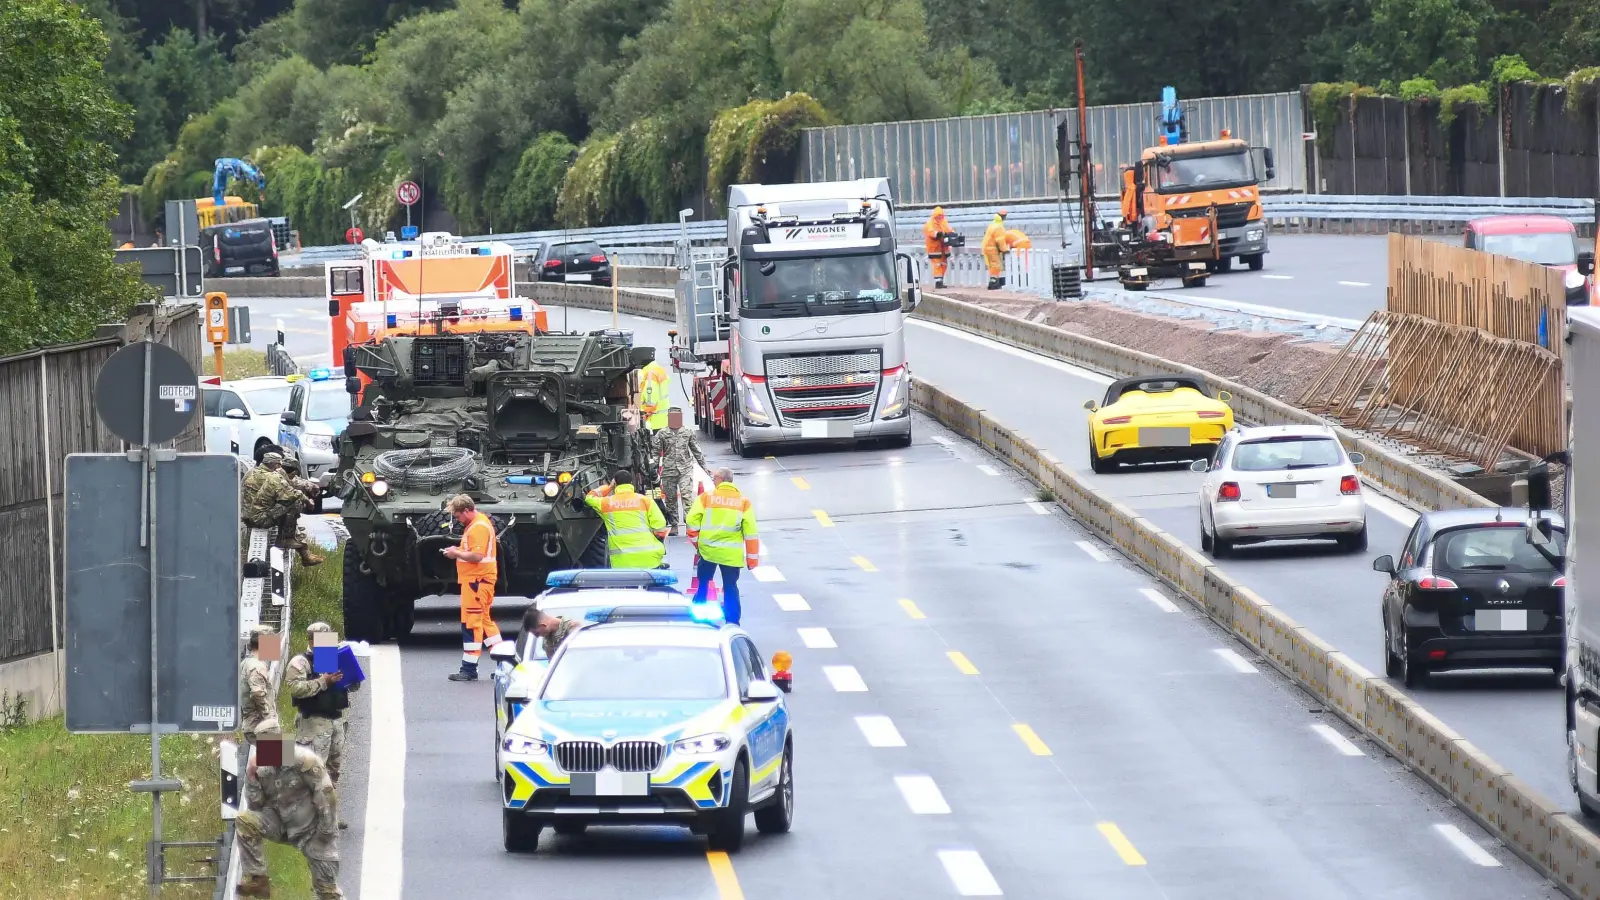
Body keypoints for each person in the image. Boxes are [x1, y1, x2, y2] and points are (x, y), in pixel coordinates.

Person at [236, 718, 343, 900]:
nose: (265, 751)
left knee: (327, 892)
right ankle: (258, 880)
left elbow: (326, 797)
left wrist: (325, 833)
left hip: (313, 830)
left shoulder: (305, 761)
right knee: (245, 821)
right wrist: (251, 777)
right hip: (282, 825)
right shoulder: (262, 768)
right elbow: (257, 806)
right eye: (261, 746)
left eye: (270, 745)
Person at [285, 622, 356, 827]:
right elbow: (296, 688)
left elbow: (352, 685)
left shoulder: (334, 657)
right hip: (314, 724)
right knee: (314, 771)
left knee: (333, 770)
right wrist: (323, 681)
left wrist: (349, 677)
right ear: (311, 641)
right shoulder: (301, 662)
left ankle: (328, 816)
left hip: (335, 721)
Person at [685, 468, 759, 625]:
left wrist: (696, 541)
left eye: (714, 478)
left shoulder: (706, 497)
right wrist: (752, 559)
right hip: (730, 554)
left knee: (703, 584)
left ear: (720, 479)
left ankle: (698, 619)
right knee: (730, 586)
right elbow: (751, 531)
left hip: (708, 550)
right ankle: (732, 622)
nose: (713, 480)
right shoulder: (743, 501)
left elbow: (692, 520)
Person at [443, 494, 503, 682]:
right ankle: (505, 664)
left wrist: (455, 553)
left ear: (467, 510)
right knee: (484, 622)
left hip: (477, 582)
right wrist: (459, 551)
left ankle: (469, 669)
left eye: (459, 516)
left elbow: (477, 556)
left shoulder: (478, 527)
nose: (458, 520)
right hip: (479, 581)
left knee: (472, 624)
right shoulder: (479, 523)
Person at [242, 452, 324, 566]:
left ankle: (305, 553)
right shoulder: (272, 476)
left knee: (286, 507)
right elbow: (290, 490)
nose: (281, 468)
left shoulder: (252, 472)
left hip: (248, 515)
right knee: (293, 503)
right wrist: (307, 499)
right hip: (258, 518)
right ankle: (287, 539)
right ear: (275, 465)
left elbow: (290, 483)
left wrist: (308, 485)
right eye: (280, 465)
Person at [586, 470, 668, 568]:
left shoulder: (606, 503)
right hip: (650, 560)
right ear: (631, 483)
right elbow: (660, 527)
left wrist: (609, 487)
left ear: (615, 483)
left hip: (622, 563)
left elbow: (589, 498)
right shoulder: (645, 501)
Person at [656, 407, 707, 535]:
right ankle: (674, 525)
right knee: (671, 499)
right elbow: (655, 452)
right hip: (668, 470)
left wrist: (705, 467)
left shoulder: (688, 432)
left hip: (685, 470)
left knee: (687, 497)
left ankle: (690, 524)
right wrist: (653, 468)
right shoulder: (662, 433)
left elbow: (696, 450)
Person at [239, 627, 275, 740]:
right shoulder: (257, 666)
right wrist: (270, 720)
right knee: (284, 755)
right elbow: (257, 693)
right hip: (260, 726)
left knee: (280, 755)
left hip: (252, 724)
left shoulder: (246, 662)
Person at [638, 358, 671, 451]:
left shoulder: (650, 374)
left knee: (656, 452)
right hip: (663, 419)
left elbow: (650, 401)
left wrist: (643, 417)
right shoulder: (658, 370)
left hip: (654, 420)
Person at [923, 206, 957, 289]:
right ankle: (938, 282)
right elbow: (932, 233)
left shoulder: (944, 222)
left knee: (944, 264)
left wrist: (952, 234)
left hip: (943, 249)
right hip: (934, 249)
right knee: (937, 265)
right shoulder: (930, 223)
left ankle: (940, 281)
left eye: (941, 216)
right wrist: (940, 234)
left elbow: (949, 230)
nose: (939, 217)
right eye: (938, 216)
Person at [982, 209, 1011, 291]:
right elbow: (1000, 240)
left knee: (992, 266)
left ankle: (993, 281)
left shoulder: (993, 224)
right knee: (996, 265)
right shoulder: (999, 227)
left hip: (987, 247)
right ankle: (993, 283)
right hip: (992, 248)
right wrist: (1005, 250)